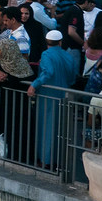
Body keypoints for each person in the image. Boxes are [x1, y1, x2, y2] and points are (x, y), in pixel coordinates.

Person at [29, 30, 79, 168]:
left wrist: (34, 85)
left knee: (46, 127)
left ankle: (45, 160)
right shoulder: (67, 55)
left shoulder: (46, 54)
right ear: (60, 42)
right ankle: (57, 159)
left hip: (48, 95)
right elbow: (72, 76)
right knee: (60, 128)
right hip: (63, 95)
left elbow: (48, 72)